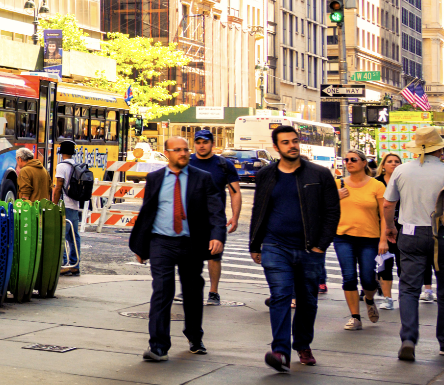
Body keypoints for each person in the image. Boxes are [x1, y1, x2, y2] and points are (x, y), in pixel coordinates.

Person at [248, 124, 341, 371]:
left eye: (295, 141)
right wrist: (255, 244)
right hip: (275, 245)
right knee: (280, 295)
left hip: (310, 249)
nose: (292, 146)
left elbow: (332, 212)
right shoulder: (266, 175)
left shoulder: (320, 174)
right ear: (276, 147)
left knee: (307, 300)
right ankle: (280, 352)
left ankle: (302, 344)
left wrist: (321, 245)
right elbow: (259, 210)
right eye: (286, 142)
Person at [128, 135, 225, 362]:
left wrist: (217, 236)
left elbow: (216, 211)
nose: (183, 153)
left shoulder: (203, 178)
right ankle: (158, 346)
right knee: (162, 290)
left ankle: (194, 336)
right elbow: (147, 213)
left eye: (185, 149)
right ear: (167, 153)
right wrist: (141, 246)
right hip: (161, 242)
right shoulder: (155, 178)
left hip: (191, 243)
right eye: (177, 150)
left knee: (192, 291)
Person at [381, 126, 444, 362]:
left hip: (410, 233)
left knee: (409, 289)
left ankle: (408, 339)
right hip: (443, 234)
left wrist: (390, 227)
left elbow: (388, 204)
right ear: (440, 149)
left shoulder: (401, 170)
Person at [186, 128, 242, 305]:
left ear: (212, 144)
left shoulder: (224, 165)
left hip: (214, 219)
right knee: (188, 256)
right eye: (198, 142)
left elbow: (235, 192)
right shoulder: (186, 161)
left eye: (205, 142)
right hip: (190, 219)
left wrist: (235, 216)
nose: (201, 146)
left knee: (214, 255)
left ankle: (213, 292)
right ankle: (189, 288)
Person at [332, 149, 387, 331]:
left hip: (369, 238)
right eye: (346, 159)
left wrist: (383, 240)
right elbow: (323, 207)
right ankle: (355, 317)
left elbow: (384, 215)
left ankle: (369, 298)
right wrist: (334, 197)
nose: (349, 162)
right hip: (343, 237)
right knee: (348, 277)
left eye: (353, 159)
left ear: (364, 163)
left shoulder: (376, 185)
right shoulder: (338, 184)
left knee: (368, 279)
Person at [50, 139, 86, 277]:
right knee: (74, 236)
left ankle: (63, 264)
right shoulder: (76, 165)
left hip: (65, 205)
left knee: (61, 235)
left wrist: (54, 204)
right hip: (75, 205)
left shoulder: (61, 166)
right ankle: (75, 265)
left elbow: (58, 187)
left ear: (61, 152)